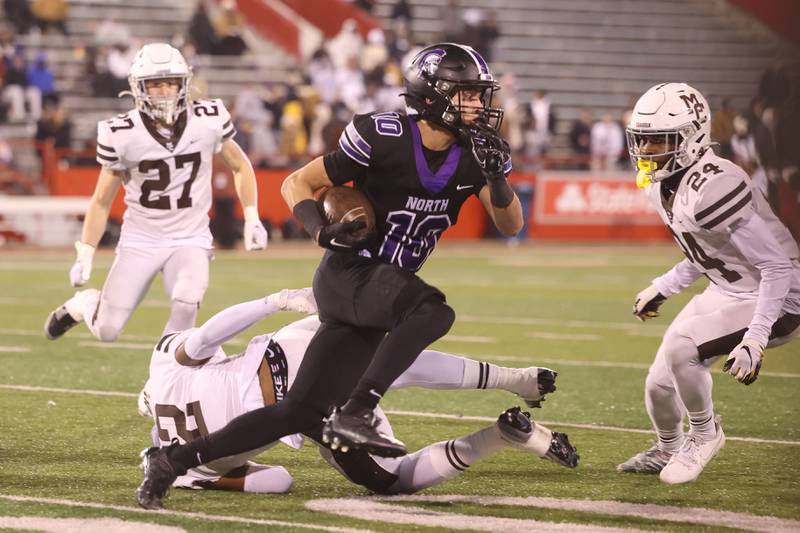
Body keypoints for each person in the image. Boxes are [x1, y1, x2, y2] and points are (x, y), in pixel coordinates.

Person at [136, 42, 523, 509]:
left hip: (381, 289)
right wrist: (321, 231)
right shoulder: (383, 136)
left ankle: (173, 462)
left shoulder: (474, 153)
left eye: (480, 95)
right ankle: (357, 411)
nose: (479, 105)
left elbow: (510, 225)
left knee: (297, 411)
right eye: (466, 94)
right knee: (431, 312)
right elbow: (295, 183)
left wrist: (496, 177)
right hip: (350, 273)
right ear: (432, 94)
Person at [137, 288, 577, 501]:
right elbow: (208, 335)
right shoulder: (162, 370)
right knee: (394, 360)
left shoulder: (197, 467)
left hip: (298, 411)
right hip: (284, 345)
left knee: (396, 479)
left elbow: (278, 480)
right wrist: (276, 300)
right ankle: (512, 378)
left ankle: (501, 436)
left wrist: (216, 477)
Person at [617, 82, 800, 485]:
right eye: (642, 141)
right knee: (659, 384)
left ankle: (704, 434)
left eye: (658, 141)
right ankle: (667, 446)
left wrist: (755, 338)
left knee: (684, 351)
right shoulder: (661, 183)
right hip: (728, 287)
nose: (646, 152)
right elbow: (707, 251)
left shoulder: (714, 185)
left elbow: (776, 267)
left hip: (780, 297)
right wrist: (664, 285)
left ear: (691, 138)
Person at [44, 43, 267, 344]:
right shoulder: (121, 133)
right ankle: (83, 303)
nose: (164, 91)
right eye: (155, 84)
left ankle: (165, 380)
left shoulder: (208, 118)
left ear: (184, 83)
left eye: (170, 82)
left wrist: (252, 215)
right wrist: (85, 252)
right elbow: (101, 200)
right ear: (139, 88)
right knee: (108, 330)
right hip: (142, 239)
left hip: (190, 237)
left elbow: (240, 165)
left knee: (187, 304)